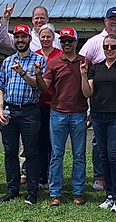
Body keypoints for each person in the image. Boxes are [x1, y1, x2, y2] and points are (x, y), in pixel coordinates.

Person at [83, 33, 116, 212]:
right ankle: (110, 195)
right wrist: (83, 76)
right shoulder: (96, 68)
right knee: (103, 156)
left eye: (113, 47)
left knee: (115, 155)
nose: (109, 50)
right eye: (106, 47)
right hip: (99, 116)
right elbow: (87, 93)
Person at [36, 28, 88, 206]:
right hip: (57, 113)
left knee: (79, 155)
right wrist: (37, 75)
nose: (66, 44)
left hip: (79, 113)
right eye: (63, 41)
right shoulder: (54, 63)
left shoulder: (85, 61)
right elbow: (44, 87)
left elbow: (89, 90)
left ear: (76, 42)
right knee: (57, 155)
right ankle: (55, 193)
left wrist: (84, 73)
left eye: (70, 41)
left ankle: (78, 191)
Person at [0, 23, 43, 204]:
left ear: (30, 39)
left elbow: (38, 85)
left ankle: (32, 191)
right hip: (9, 110)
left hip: (29, 111)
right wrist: (0, 109)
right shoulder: (8, 61)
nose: (20, 40)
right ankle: (12, 189)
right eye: (17, 37)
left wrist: (22, 72)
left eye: (23, 37)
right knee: (10, 151)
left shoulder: (38, 60)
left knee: (31, 152)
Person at [33, 24, 60, 192]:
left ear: (53, 38)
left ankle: (54, 176)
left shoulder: (59, 55)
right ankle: (41, 176)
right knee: (40, 142)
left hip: (56, 104)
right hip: (38, 104)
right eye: (42, 36)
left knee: (54, 143)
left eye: (48, 36)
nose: (45, 39)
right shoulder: (34, 56)